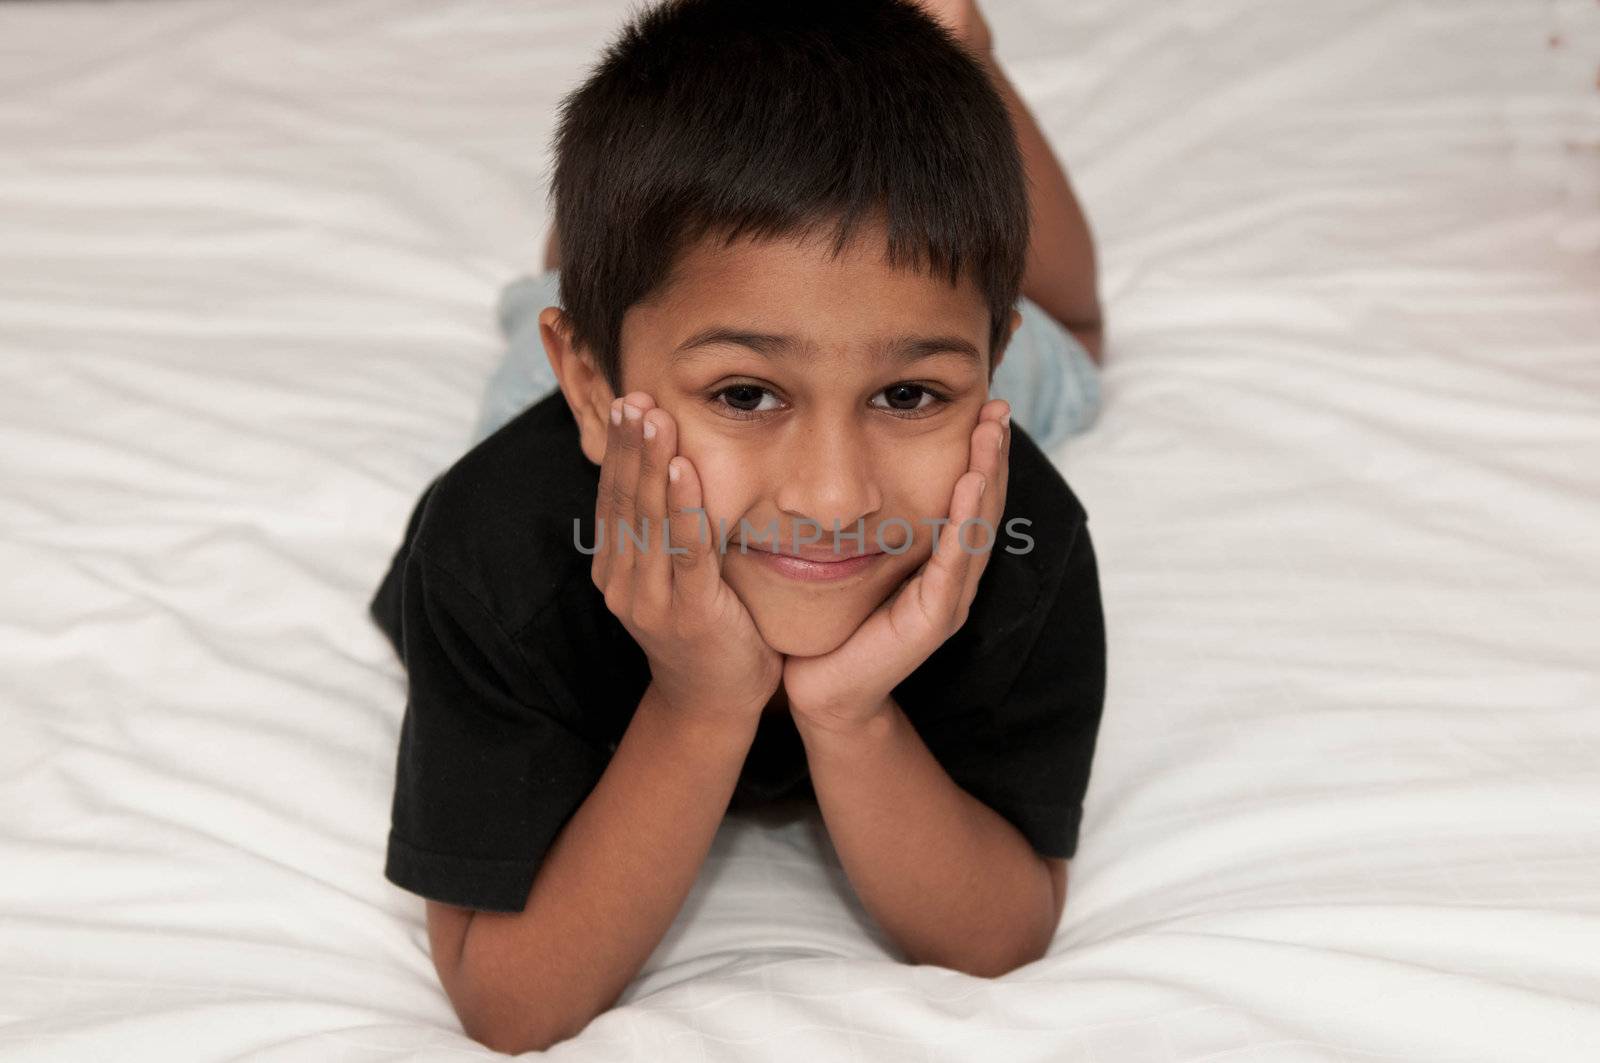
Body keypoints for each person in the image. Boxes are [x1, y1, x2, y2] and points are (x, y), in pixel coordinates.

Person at [367, 0, 1108, 1053]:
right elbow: (510, 1002)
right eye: (744, 395)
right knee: (585, 287)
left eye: (911, 398)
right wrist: (698, 701)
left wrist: (851, 716)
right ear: (583, 382)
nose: (833, 497)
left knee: (1074, 340)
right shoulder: (499, 550)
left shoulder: (1017, 534)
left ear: (982, 374)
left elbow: (1000, 936)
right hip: (593, 445)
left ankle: (955, 49)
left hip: (830, 357)